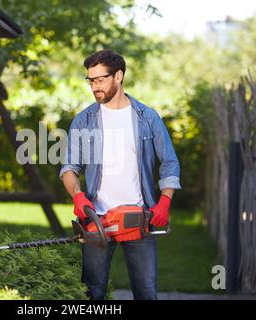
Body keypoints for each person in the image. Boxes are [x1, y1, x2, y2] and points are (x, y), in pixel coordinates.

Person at [59, 49, 181, 300]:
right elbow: (69, 167)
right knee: (93, 293)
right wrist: (78, 196)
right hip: (97, 220)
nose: (94, 87)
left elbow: (169, 162)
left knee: (146, 292)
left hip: (140, 218)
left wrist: (165, 201)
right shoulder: (84, 120)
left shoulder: (147, 118)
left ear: (118, 76)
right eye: (90, 80)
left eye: (100, 79)